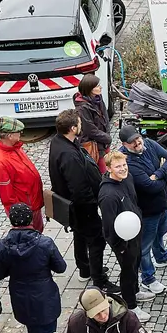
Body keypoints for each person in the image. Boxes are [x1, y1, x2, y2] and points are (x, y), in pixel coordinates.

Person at [49, 110, 112, 294]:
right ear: (72, 128)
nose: (81, 125)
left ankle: (85, 268)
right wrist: (92, 207)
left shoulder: (59, 141)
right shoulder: (68, 154)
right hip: (82, 208)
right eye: (79, 123)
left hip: (73, 207)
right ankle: (99, 280)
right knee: (97, 241)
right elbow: (78, 187)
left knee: (80, 235)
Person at [0, 202, 67, 333]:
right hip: (45, 297)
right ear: (31, 219)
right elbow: (61, 267)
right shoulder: (45, 243)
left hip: (21, 297)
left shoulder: (2, 246)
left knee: (33, 332)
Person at [122, 125, 167, 296]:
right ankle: (148, 278)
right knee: (144, 247)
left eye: (137, 138)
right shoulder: (128, 162)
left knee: (161, 232)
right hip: (147, 212)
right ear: (125, 144)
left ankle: (161, 257)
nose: (137, 143)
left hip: (161, 204)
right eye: (132, 142)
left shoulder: (149, 144)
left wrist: (158, 174)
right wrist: (164, 176)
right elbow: (149, 186)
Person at [98, 150, 149, 321]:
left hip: (135, 233)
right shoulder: (108, 195)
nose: (123, 169)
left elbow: (133, 201)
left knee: (135, 265)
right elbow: (108, 226)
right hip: (123, 241)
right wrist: (120, 247)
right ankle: (130, 305)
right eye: (118, 166)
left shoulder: (127, 178)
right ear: (109, 168)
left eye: (124, 165)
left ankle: (135, 291)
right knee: (128, 271)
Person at [0, 117, 45, 230]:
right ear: (10, 136)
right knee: (32, 236)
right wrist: (20, 215)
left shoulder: (12, 146)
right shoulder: (0, 161)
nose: (21, 134)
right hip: (25, 208)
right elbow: (7, 195)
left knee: (38, 230)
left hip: (32, 201)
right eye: (18, 132)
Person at [73, 74, 116, 162]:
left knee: (109, 165)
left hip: (104, 142)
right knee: (102, 168)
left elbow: (105, 117)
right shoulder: (82, 108)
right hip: (93, 145)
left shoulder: (98, 98)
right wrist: (107, 138)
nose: (100, 87)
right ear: (90, 89)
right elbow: (90, 130)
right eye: (97, 86)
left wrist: (107, 135)